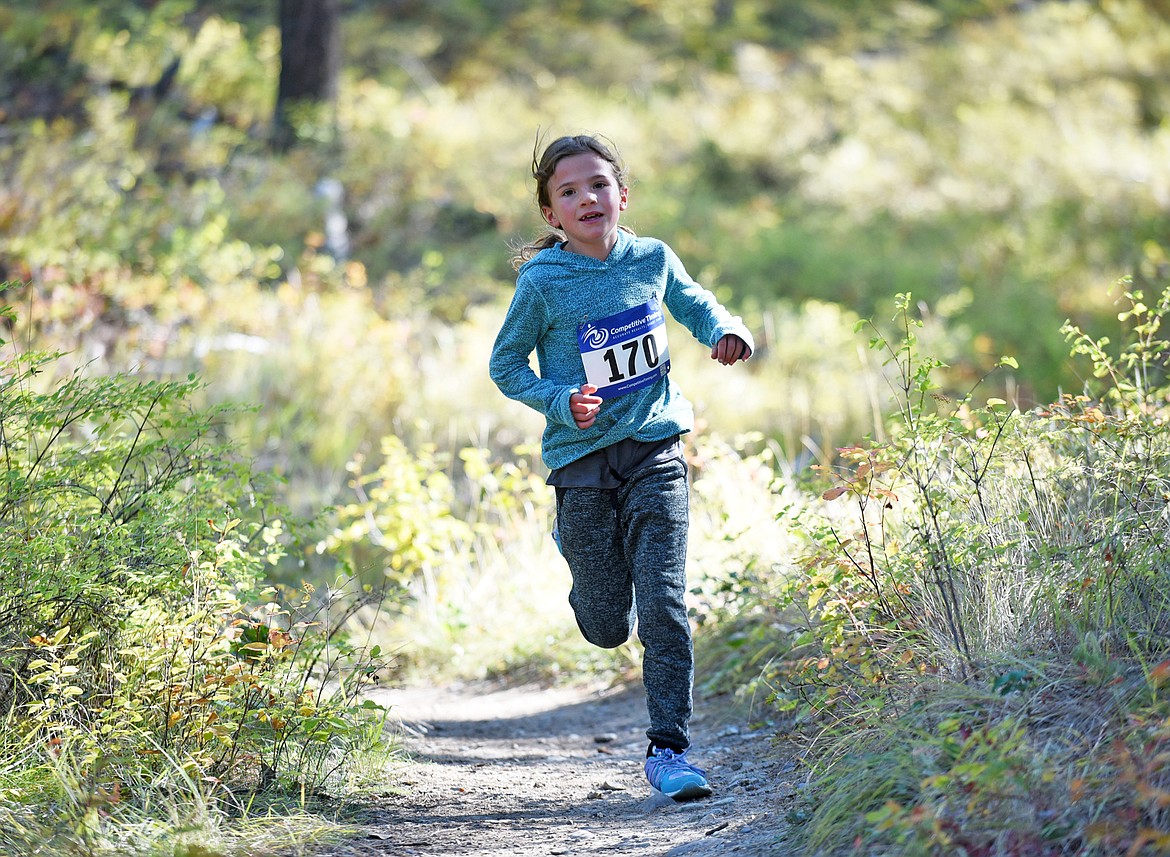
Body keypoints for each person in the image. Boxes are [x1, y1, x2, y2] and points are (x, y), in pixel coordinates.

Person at [488, 134, 753, 801]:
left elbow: (693, 302)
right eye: (569, 191)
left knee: (664, 603)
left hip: (656, 450)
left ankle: (669, 748)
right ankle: (580, 559)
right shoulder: (542, 282)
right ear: (551, 214)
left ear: (622, 195)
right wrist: (557, 399)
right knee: (607, 622)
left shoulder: (651, 258)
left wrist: (727, 329)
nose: (587, 198)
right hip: (580, 463)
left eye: (599, 184)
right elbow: (506, 364)